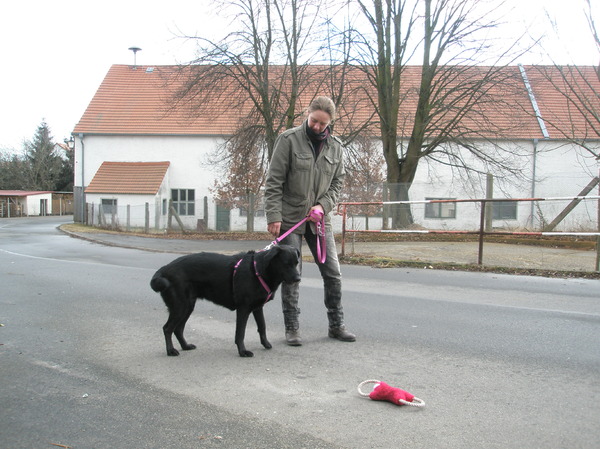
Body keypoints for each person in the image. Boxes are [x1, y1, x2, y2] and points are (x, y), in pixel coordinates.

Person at [264, 96, 356, 346]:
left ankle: (337, 325)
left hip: (319, 220)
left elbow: (337, 183)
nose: (317, 127)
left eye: (322, 124)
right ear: (308, 113)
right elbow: (274, 181)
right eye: (314, 121)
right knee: (292, 275)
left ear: (330, 123)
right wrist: (273, 216)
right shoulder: (288, 140)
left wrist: (323, 205)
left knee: (333, 273)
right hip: (289, 218)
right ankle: (292, 327)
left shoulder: (336, 147)